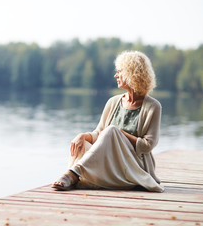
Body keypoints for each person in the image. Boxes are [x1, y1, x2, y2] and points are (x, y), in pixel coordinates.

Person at [52, 50, 164, 192]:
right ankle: (87, 177)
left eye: (119, 71)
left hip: (132, 165)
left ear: (132, 73)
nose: (115, 75)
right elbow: (99, 134)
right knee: (82, 144)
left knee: (111, 130)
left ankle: (73, 174)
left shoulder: (153, 106)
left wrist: (118, 134)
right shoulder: (113, 102)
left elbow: (147, 145)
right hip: (110, 163)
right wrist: (83, 136)